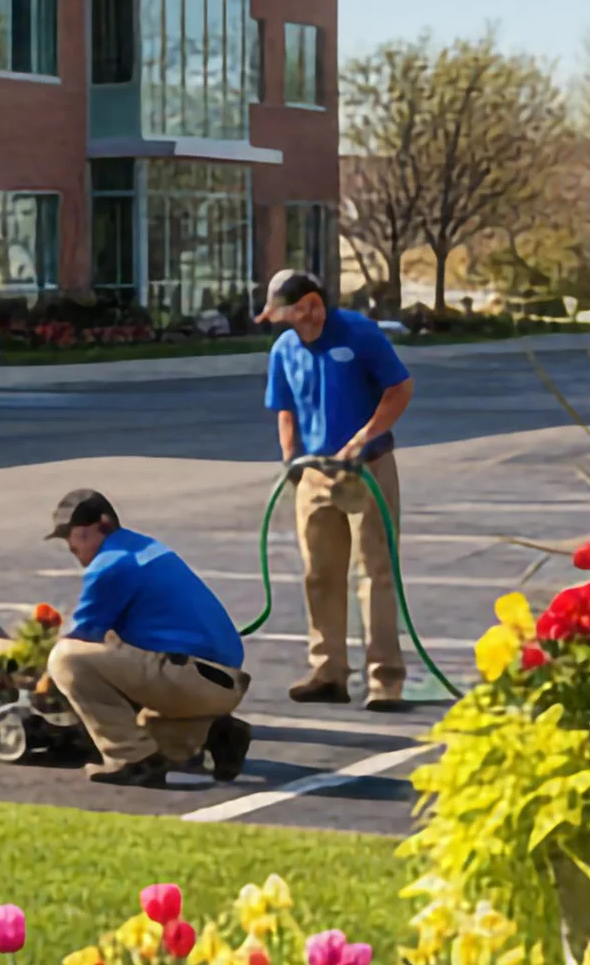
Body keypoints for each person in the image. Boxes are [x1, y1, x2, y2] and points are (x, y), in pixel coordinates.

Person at [259, 266, 415, 711]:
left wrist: (365, 436)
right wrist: (291, 459)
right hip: (314, 472)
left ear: (312, 305)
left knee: (375, 573)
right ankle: (328, 671)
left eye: (289, 312)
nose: (286, 322)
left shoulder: (359, 334)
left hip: (368, 468)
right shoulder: (284, 349)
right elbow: (284, 408)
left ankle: (385, 678)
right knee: (320, 575)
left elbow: (400, 389)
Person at [44, 489, 252, 789]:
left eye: (76, 535)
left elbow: (81, 636)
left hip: (191, 679)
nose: (72, 546)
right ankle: (213, 733)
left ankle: (131, 760)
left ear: (103, 525)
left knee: (66, 658)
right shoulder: (145, 548)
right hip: (221, 682)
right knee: (155, 739)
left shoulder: (111, 564)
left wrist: (39, 679)